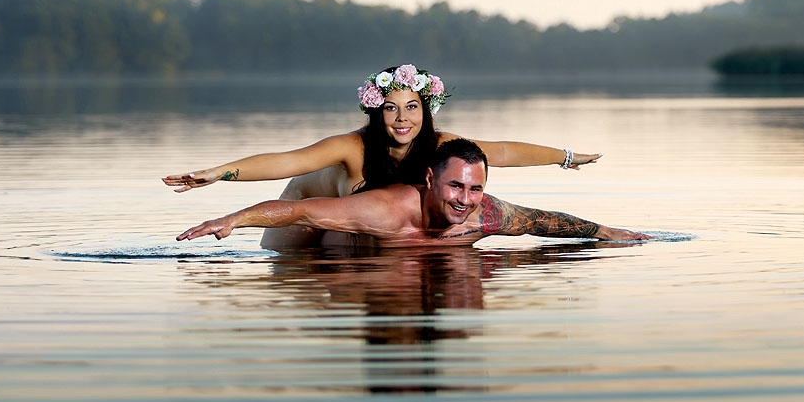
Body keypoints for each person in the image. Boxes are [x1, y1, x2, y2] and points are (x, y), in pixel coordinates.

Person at [162, 64, 602, 248]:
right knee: (305, 272)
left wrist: (565, 157)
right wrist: (220, 173)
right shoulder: (351, 147)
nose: (402, 118)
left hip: (360, 221)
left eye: (412, 107)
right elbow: (287, 162)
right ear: (377, 111)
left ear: (426, 110)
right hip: (303, 213)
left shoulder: (440, 144)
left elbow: (502, 151)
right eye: (391, 107)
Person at [177, 138, 651, 248]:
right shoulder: (383, 208)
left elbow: (542, 221)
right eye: (455, 187)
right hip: (329, 220)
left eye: (474, 189)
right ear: (428, 180)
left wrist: (605, 232)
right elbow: (299, 208)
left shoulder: (482, 214)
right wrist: (234, 218)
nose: (465, 199)